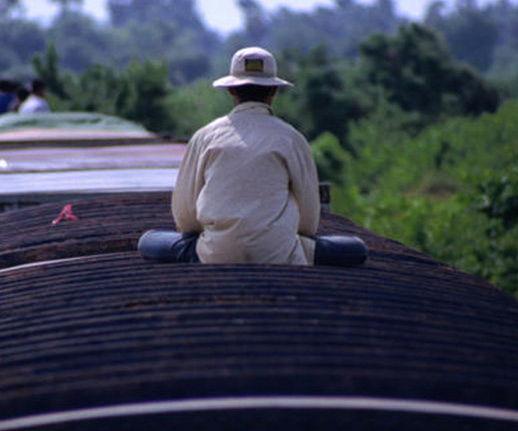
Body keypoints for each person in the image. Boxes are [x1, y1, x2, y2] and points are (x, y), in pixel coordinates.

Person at [138, 46, 367, 267]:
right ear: (274, 90)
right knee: (355, 248)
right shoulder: (292, 138)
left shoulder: (205, 137)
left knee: (148, 240)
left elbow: (186, 219)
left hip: (214, 253)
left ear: (231, 90)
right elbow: (308, 224)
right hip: (279, 254)